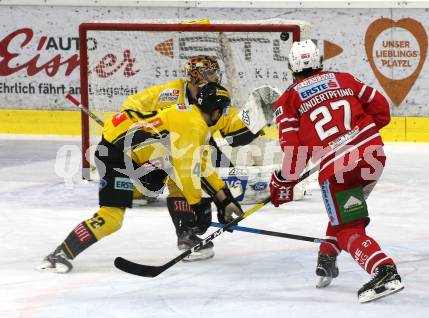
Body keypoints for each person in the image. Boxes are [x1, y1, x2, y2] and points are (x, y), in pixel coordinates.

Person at [37, 83, 244, 273]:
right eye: (223, 111)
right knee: (112, 218)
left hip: (136, 156)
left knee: (174, 175)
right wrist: (199, 206)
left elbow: (203, 166)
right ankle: (60, 253)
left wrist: (224, 199)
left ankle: (186, 237)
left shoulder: (193, 119)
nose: (223, 115)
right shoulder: (192, 125)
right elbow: (188, 171)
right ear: (216, 111)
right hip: (116, 158)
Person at [269, 39, 404, 303]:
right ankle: (327, 255)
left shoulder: (287, 100)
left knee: (348, 227)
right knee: (346, 207)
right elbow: (382, 112)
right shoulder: (345, 79)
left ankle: (383, 269)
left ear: (291, 68)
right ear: (320, 62)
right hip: (372, 156)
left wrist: (280, 183)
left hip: (338, 169)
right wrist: (354, 137)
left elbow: (294, 158)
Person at [121, 55, 275, 261]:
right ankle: (185, 233)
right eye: (210, 73)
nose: (215, 77)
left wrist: (257, 120)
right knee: (178, 176)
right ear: (195, 76)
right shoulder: (170, 93)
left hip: (187, 149)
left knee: (193, 180)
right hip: (152, 150)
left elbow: (230, 130)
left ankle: (190, 228)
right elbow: (130, 107)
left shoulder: (213, 98)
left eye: (215, 72)